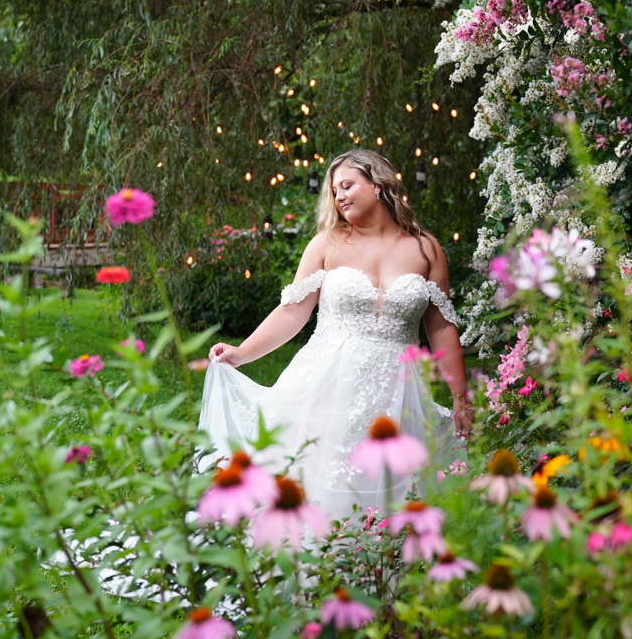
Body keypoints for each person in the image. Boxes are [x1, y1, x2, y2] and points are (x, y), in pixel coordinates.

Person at [199, 149, 471, 516]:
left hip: (398, 389)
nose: (339, 196)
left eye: (347, 185)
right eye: (334, 190)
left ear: (377, 185)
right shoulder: (327, 244)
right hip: (328, 382)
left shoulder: (425, 248)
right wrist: (242, 353)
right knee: (319, 479)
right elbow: (293, 312)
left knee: (390, 491)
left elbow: (441, 329)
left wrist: (460, 397)